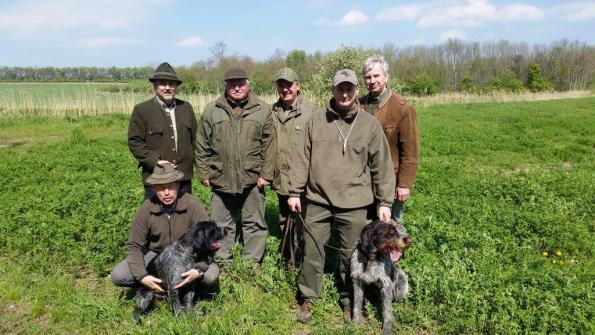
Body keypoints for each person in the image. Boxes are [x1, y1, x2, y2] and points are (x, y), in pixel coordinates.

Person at [288, 69, 395, 323]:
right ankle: (308, 298)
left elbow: (382, 165)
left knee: (352, 255)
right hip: (318, 200)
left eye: (349, 89)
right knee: (312, 250)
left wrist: (385, 201)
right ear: (333, 91)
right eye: (340, 89)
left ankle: (349, 299)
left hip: (355, 203)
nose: (344, 93)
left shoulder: (369, 125)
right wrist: (294, 191)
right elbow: (301, 158)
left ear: (357, 91)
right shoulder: (316, 120)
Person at [194, 67, 275, 264]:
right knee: (221, 224)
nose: (237, 88)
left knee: (254, 223)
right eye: (232, 84)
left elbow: (270, 145)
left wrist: (265, 174)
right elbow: (202, 142)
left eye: (241, 84)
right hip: (220, 177)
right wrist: (204, 172)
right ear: (226, 86)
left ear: (249, 85)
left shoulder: (262, 109)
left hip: (252, 178)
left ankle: (251, 262)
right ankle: (222, 261)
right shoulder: (212, 110)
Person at [110, 163, 219, 293]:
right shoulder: (146, 208)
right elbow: (134, 246)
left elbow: (210, 240)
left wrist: (199, 268)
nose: (166, 193)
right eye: (161, 188)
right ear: (154, 189)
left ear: (177, 185)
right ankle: (153, 289)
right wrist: (143, 277)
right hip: (156, 255)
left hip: (189, 255)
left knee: (209, 275)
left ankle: (191, 291)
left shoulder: (193, 204)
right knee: (119, 275)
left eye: (170, 187)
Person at [359, 55, 420, 225]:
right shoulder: (359, 106)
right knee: (366, 229)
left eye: (376, 76)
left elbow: (410, 151)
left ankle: (395, 253)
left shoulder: (402, 108)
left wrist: (404, 184)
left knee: (391, 230)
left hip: (390, 183)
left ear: (386, 77)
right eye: (368, 77)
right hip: (363, 182)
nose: (372, 81)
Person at [128, 62, 198, 200]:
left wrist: (203, 171)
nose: (167, 88)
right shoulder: (142, 110)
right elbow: (134, 142)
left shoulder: (186, 108)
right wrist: (155, 161)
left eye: (171, 84)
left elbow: (196, 141)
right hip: (156, 177)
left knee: (184, 215)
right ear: (155, 86)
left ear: (176, 87)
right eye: (163, 84)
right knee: (155, 218)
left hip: (183, 177)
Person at [270, 67, 318, 268]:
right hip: (281, 178)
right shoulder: (272, 111)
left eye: (289, 84)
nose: (285, 89)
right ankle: (290, 257)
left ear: (298, 85)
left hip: (305, 181)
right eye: (281, 85)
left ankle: (306, 260)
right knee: (285, 220)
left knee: (305, 222)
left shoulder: (312, 112)